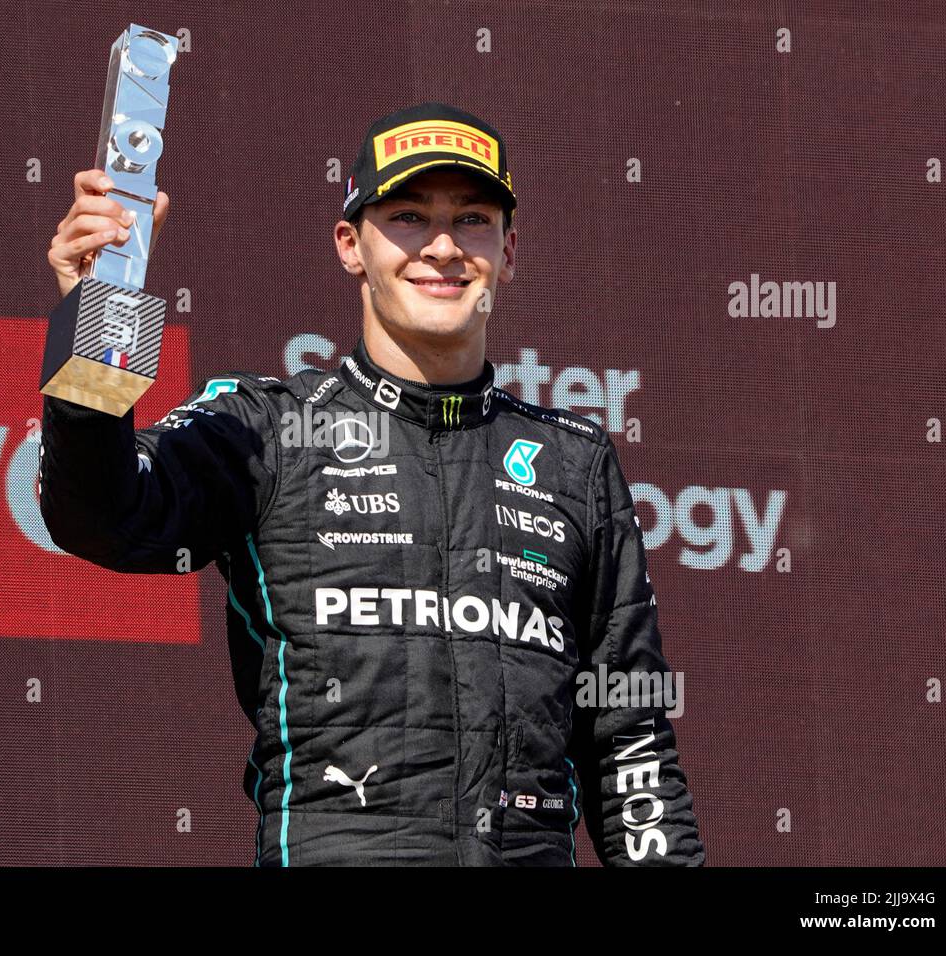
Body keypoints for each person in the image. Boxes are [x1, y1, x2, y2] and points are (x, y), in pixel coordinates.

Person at [38, 102, 706, 866]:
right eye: (410, 217)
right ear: (351, 246)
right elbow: (99, 516)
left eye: (474, 219)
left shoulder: (575, 462)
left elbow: (631, 745)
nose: (445, 248)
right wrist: (98, 316)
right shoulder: (270, 429)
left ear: (510, 250)